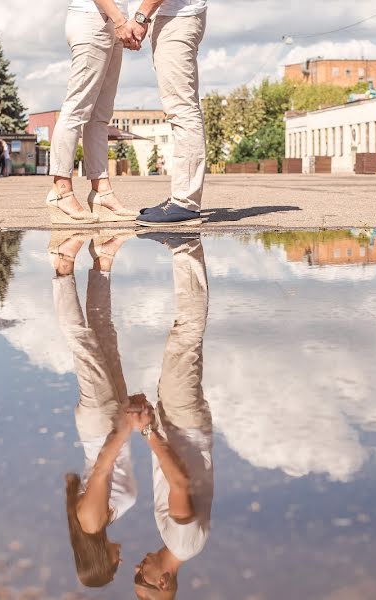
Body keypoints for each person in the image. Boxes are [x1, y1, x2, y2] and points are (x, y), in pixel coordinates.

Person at [51, 229, 147, 587]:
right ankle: (103, 260)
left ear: (101, 560)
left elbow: (104, 468)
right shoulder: (106, 520)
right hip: (112, 423)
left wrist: (126, 426)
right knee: (104, 334)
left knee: (84, 345)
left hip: (102, 426)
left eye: (115, 565)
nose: (121, 560)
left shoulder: (91, 523)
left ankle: (62, 266)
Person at [133, 233, 213, 598]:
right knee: (186, 335)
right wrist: (148, 431)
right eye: (141, 580)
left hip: (181, 424)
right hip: (184, 424)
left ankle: (186, 253)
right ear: (162, 582)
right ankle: (187, 249)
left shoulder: (186, 545)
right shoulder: (181, 541)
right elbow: (179, 483)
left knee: (185, 337)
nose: (137, 569)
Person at [47, 0, 142, 225]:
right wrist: (120, 21)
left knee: (100, 116)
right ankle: (61, 191)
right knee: (76, 108)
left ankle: (102, 192)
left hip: (114, 20)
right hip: (93, 19)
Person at [130, 0, 208, 227]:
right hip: (172, 17)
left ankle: (185, 203)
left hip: (177, 17)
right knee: (179, 108)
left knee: (182, 109)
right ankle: (180, 198)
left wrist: (141, 17)